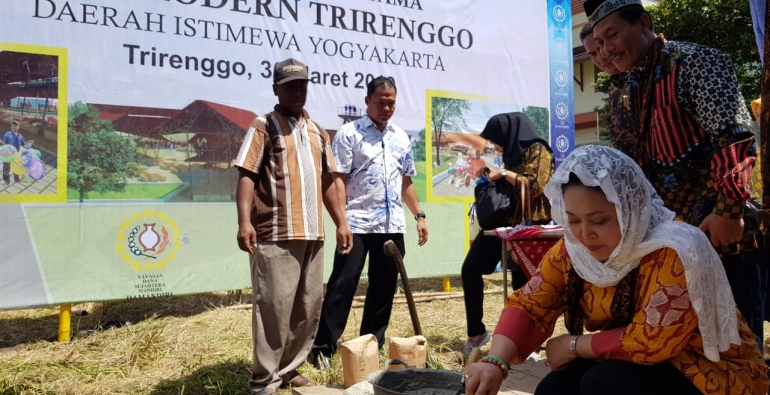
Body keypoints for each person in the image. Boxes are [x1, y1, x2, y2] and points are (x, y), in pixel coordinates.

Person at [464, 145, 769, 395]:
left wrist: (572, 345)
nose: (585, 234)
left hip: (703, 368)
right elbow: (530, 304)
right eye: (573, 219)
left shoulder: (677, 250)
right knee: (554, 390)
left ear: (632, 208)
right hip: (626, 360)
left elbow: (651, 340)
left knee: (605, 384)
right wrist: (495, 362)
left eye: (599, 220)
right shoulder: (573, 252)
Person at [585, 0, 767, 347]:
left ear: (642, 23)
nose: (607, 50)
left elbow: (736, 136)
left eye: (613, 36)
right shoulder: (621, 90)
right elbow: (624, 172)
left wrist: (728, 209)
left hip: (720, 237)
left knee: (734, 348)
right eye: (600, 43)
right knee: (678, 351)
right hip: (663, 247)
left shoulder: (697, 62)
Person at [234, 58, 352, 395]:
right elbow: (246, 175)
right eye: (289, 86)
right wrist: (244, 222)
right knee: (273, 307)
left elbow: (329, 181)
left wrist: (341, 222)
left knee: (308, 305)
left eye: (302, 85)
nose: (297, 91)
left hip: (313, 233)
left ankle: (289, 370)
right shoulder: (264, 125)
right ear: (276, 90)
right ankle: (264, 380)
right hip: (275, 232)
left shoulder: (317, 131)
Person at [311, 76, 428, 367]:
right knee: (343, 284)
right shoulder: (349, 134)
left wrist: (419, 215)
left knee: (384, 288)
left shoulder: (400, 136)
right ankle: (323, 349)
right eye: (380, 102)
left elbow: (406, 180)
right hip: (357, 224)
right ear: (367, 101)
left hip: (392, 225)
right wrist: (341, 222)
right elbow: (336, 180)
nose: (386, 108)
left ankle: (369, 346)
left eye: (391, 103)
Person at [461, 113, 554, 356]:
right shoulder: (510, 154)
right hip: (502, 225)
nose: (496, 145)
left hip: (531, 226)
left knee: (522, 283)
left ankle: (525, 342)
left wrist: (503, 174)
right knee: (470, 269)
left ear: (509, 134)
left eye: (497, 140)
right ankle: (476, 333)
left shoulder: (539, 150)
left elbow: (535, 186)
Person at [3, 120, 24, 185]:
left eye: (16, 126)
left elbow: (23, 144)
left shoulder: (20, 136)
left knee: (17, 167)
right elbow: (4, 143)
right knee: (6, 168)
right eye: (13, 125)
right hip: (8, 155)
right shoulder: (7, 134)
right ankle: (6, 180)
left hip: (16, 155)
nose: (14, 127)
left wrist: (29, 142)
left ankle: (16, 179)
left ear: (18, 127)